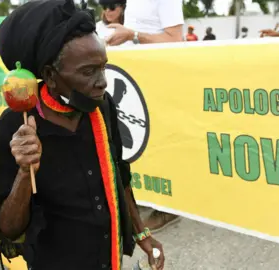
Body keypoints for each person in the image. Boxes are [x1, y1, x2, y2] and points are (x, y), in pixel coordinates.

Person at [0, 1, 165, 269]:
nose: (103, 81)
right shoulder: (15, 129)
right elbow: (9, 228)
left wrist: (141, 232)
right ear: (49, 75)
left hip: (109, 258)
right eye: (88, 72)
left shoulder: (102, 106)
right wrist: (25, 172)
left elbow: (119, 173)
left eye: (103, 67)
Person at [104, 0, 184, 233]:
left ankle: (168, 208)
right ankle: (142, 200)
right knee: (139, 143)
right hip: (138, 78)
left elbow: (174, 39)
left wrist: (133, 34)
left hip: (161, 78)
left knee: (162, 140)